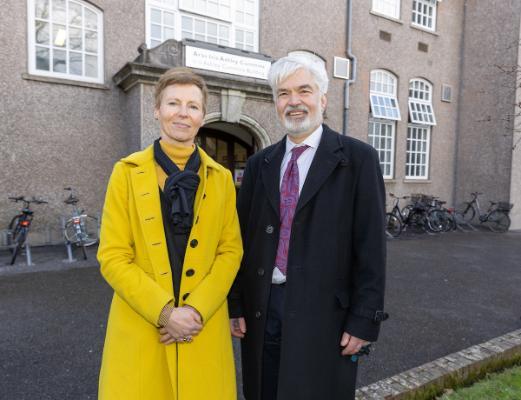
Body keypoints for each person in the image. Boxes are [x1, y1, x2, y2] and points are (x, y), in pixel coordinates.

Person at [228, 53, 387, 400]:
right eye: (283, 93)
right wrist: (235, 304)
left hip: (326, 317)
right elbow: (241, 240)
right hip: (262, 309)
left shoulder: (357, 159)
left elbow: (371, 247)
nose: (294, 101)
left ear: (323, 98)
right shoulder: (260, 164)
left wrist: (364, 321)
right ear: (275, 102)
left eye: (304, 90)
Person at [97, 67, 243, 400]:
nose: (182, 113)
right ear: (157, 110)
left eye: (192, 106)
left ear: (203, 116)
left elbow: (230, 251)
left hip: (200, 326)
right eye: (173, 103)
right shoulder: (125, 173)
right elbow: (112, 255)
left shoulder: (221, 178)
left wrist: (194, 312)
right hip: (142, 326)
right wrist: (165, 314)